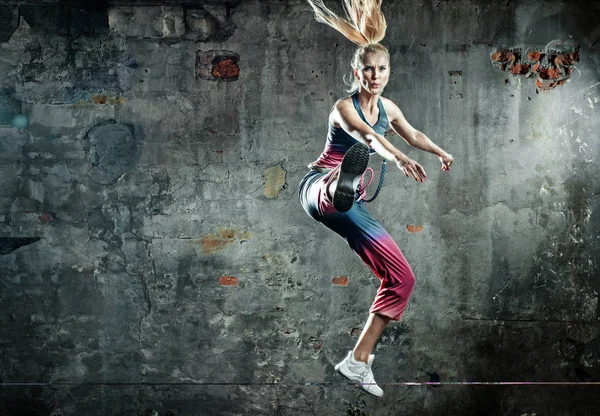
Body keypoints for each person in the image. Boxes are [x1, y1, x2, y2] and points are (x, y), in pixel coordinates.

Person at [297, 0, 455, 397]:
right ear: (356, 72)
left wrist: (437, 152)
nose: (375, 75)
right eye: (368, 68)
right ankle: (342, 181)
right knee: (344, 174)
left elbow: (413, 134)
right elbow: (371, 138)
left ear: (388, 71)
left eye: (381, 68)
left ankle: (358, 360)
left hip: (354, 209)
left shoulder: (388, 106)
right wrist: (399, 157)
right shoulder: (342, 109)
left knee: (402, 278)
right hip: (318, 190)